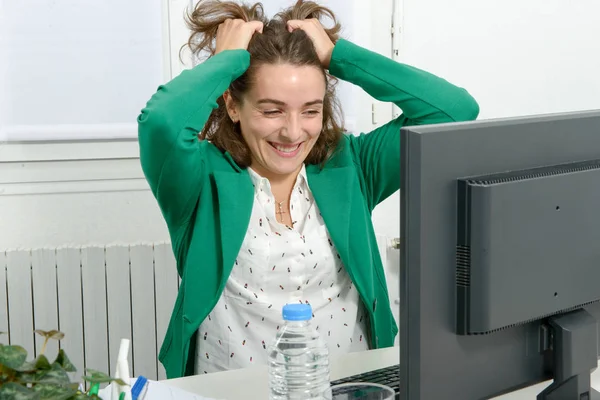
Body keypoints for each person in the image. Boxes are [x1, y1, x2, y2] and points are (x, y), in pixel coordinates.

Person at [137, 0, 479, 379]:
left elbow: (455, 111)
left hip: (350, 386)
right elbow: (162, 122)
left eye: (311, 110)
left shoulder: (351, 166)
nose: (293, 131)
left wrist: (338, 56)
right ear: (232, 105)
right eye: (272, 110)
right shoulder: (199, 180)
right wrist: (229, 60)